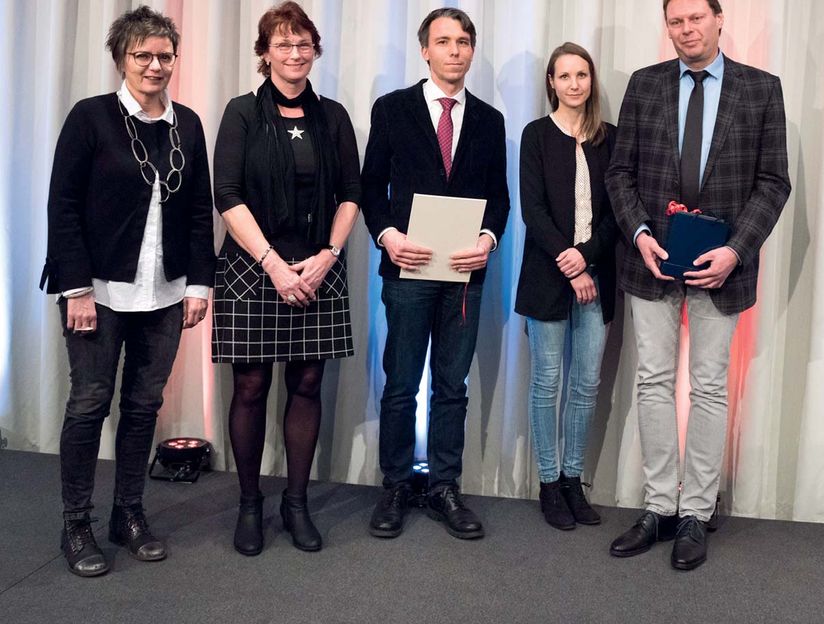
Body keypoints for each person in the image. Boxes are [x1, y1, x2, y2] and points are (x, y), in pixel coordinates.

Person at [606, 0, 790, 570]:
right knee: (653, 382)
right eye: (676, 21)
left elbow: (773, 182)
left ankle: (696, 511)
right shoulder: (645, 84)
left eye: (696, 18)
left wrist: (735, 251)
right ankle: (660, 506)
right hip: (651, 261)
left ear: (719, 18)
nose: (686, 29)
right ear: (667, 26)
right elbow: (620, 173)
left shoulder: (761, 89)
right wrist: (639, 234)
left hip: (722, 264)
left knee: (709, 388)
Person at [41, 6, 215, 577]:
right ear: (121, 58)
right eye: (142, 55)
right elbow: (63, 206)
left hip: (165, 292)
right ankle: (76, 522)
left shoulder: (188, 125)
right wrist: (75, 289)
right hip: (97, 291)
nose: (155, 65)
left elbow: (198, 211)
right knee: (89, 402)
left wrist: (199, 284)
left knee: (143, 406)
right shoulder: (91, 117)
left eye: (165, 55)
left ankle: (128, 513)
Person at [212, 1, 361, 556]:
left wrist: (328, 254)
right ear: (266, 53)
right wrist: (272, 263)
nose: (295, 53)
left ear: (314, 51)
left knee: (307, 385)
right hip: (253, 267)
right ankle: (250, 504)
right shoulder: (241, 113)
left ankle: (296, 503)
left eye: (303, 44)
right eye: (283, 44)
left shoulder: (334, 117)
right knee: (251, 387)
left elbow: (352, 192)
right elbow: (226, 194)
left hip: (318, 268)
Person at [361, 8, 510, 540]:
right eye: (444, 41)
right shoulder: (393, 108)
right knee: (401, 383)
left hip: (464, 275)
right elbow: (370, 186)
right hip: (408, 268)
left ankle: (445, 485)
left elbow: (499, 198)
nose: (455, 50)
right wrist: (388, 235)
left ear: (472, 50)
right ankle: (396, 484)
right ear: (425, 50)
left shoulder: (490, 120)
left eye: (463, 41)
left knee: (452, 386)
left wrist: (488, 240)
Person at [515, 43, 618, 531]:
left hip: (597, 276)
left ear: (591, 81)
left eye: (582, 75)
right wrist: (570, 265)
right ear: (551, 83)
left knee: (586, 384)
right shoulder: (535, 135)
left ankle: (574, 479)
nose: (574, 84)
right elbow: (532, 211)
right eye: (565, 76)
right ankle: (549, 482)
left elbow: (617, 212)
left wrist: (588, 258)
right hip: (548, 278)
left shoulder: (610, 139)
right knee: (547, 382)